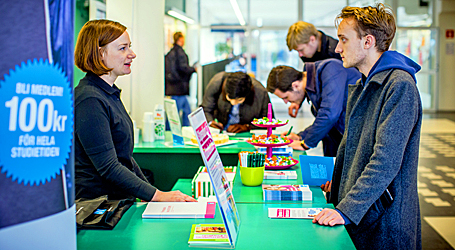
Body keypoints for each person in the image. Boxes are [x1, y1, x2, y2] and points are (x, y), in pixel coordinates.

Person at [312, 4, 422, 249]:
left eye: (343, 39)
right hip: (365, 214)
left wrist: (346, 210)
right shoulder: (364, 84)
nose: (338, 48)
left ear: (368, 41)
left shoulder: (398, 85)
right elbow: (352, 147)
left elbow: (385, 160)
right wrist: (338, 182)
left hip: (384, 222)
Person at [74, 20, 195, 202]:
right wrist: (158, 196)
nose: (132, 54)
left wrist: (151, 194)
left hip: (120, 201)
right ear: (100, 54)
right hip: (101, 210)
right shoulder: (90, 99)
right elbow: (109, 166)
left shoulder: (109, 93)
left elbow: (125, 159)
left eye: (129, 47)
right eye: (123, 48)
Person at [267, 60, 360, 157]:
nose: (286, 102)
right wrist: (301, 136)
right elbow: (324, 118)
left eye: (285, 97)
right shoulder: (313, 81)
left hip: (358, 139)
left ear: (295, 85)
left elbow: (329, 114)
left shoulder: (330, 70)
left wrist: (305, 144)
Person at [286, 21, 343, 118]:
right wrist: (299, 100)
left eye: (301, 50)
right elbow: (309, 81)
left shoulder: (336, 52)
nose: (300, 55)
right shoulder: (308, 54)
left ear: (312, 39)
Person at [201, 71, 271, 133]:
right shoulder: (217, 83)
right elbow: (205, 109)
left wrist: (248, 127)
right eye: (229, 98)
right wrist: (210, 122)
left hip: (246, 135)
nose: (233, 103)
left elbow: (269, 123)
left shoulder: (261, 93)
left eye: (240, 100)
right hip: (221, 133)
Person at [165, 32, 197, 127]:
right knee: (175, 115)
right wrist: (193, 69)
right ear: (180, 39)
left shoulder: (170, 53)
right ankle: (174, 131)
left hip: (173, 87)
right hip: (179, 87)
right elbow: (183, 68)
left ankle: (185, 129)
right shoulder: (180, 53)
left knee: (182, 112)